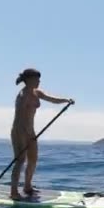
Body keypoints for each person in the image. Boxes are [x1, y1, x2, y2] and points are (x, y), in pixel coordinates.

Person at [10, 68, 74, 200]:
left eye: (39, 79)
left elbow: (52, 99)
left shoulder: (37, 92)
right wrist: (26, 134)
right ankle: (13, 192)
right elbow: (20, 117)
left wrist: (66, 100)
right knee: (20, 160)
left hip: (30, 131)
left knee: (33, 160)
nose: (39, 81)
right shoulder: (22, 96)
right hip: (19, 131)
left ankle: (27, 187)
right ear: (28, 80)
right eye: (36, 79)